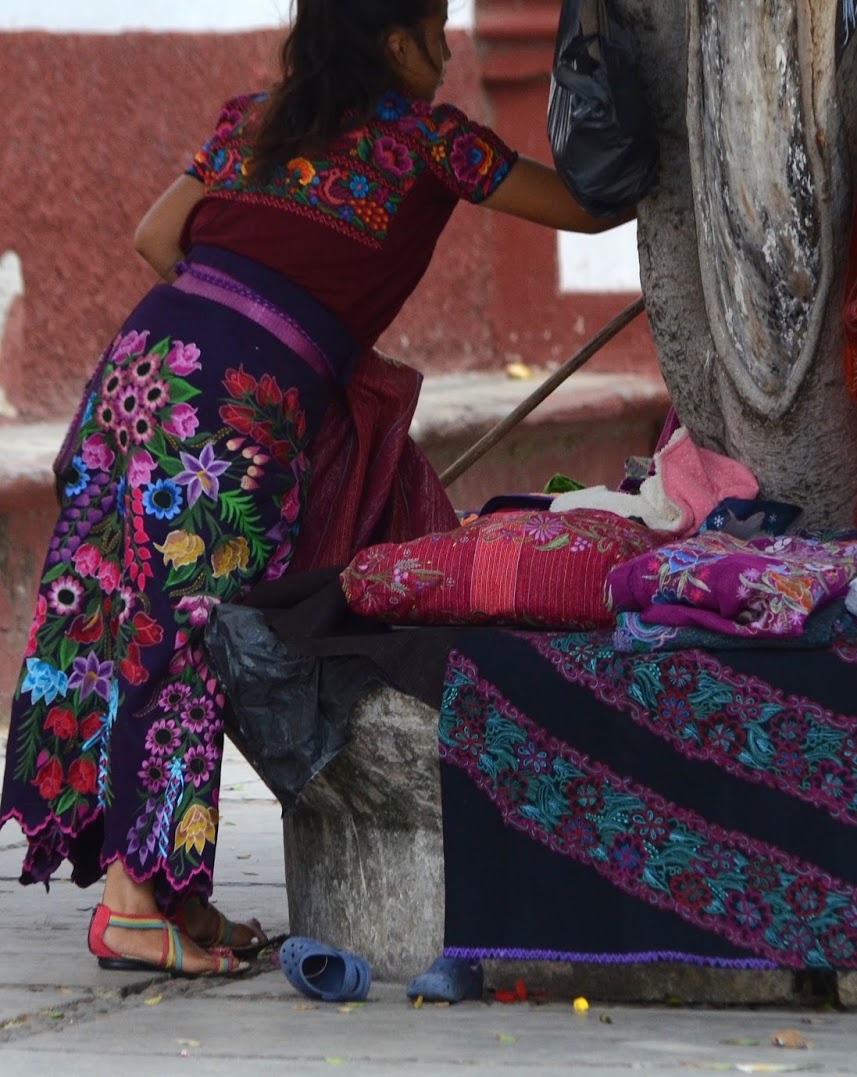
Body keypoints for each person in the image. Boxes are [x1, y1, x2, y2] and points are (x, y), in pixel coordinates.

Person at [0, 0, 631, 977]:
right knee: (193, 626)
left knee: (115, 604)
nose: (446, 51)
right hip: (231, 407)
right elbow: (589, 207)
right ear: (393, 42)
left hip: (140, 361)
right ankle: (133, 904)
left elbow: (154, 237)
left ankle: (167, 896)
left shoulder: (254, 118)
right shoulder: (432, 141)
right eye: (432, 33)